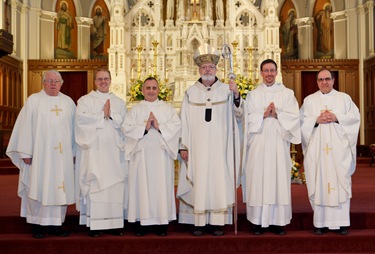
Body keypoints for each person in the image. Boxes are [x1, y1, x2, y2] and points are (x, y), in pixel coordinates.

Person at [177, 43, 244, 236]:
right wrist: (183, 145)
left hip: (219, 147)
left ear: (216, 69)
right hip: (196, 147)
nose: (207, 70)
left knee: (217, 180)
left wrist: (237, 95)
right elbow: (184, 121)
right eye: (204, 67)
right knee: (199, 179)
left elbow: (238, 115)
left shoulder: (226, 90)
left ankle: (217, 222)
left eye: (211, 67)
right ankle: (199, 223)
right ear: (198, 69)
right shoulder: (191, 92)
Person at [6, 70, 76, 239]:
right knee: (38, 185)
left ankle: (56, 224)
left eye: (56, 81)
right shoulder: (33, 101)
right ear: (43, 83)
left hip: (62, 157)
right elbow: (24, 127)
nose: (53, 84)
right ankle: (36, 224)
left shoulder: (68, 103)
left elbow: (75, 130)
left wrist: (73, 152)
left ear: (61, 83)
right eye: (49, 81)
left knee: (59, 188)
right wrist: (25, 151)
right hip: (39, 156)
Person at [242, 59, 301, 235]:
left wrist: (278, 114)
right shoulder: (253, 95)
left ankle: (278, 222)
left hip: (278, 145)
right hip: (258, 145)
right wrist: (263, 114)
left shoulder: (287, 94)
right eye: (266, 71)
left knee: (278, 180)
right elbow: (246, 119)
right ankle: (257, 222)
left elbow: (294, 117)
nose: (269, 74)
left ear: (276, 72)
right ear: (261, 73)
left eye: (272, 70)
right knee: (258, 180)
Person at [300, 68, 360, 235]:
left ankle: (341, 223)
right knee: (319, 182)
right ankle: (320, 223)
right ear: (317, 82)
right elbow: (301, 123)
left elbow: (355, 118)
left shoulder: (344, 99)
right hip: (317, 152)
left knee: (339, 182)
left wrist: (337, 117)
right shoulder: (309, 101)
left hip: (338, 152)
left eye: (327, 79)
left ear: (334, 80)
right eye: (320, 79)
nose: (324, 82)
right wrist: (316, 120)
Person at [123, 77, 181, 236]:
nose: (151, 91)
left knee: (160, 187)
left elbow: (177, 127)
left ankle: (161, 224)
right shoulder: (135, 110)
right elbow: (126, 129)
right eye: (148, 88)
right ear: (142, 90)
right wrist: (145, 128)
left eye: (154, 88)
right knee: (141, 186)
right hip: (141, 157)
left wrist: (159, 127)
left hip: (161, 157)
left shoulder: (167, 109)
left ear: (158, 90)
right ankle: (142, 223)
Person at [75, 68, 127, 237]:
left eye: (106, 78)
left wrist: (111, 115)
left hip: (114, 152)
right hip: (94, 151)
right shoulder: (85, 100)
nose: (103, 81)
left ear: (111, 80)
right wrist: (100, 115)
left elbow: (126, 125)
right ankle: (95, 224)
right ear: (95, 81)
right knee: (96, 186)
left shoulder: (118, 102)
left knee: (114, 186)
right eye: (100, 79)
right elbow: (81, 120)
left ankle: (115, 223)